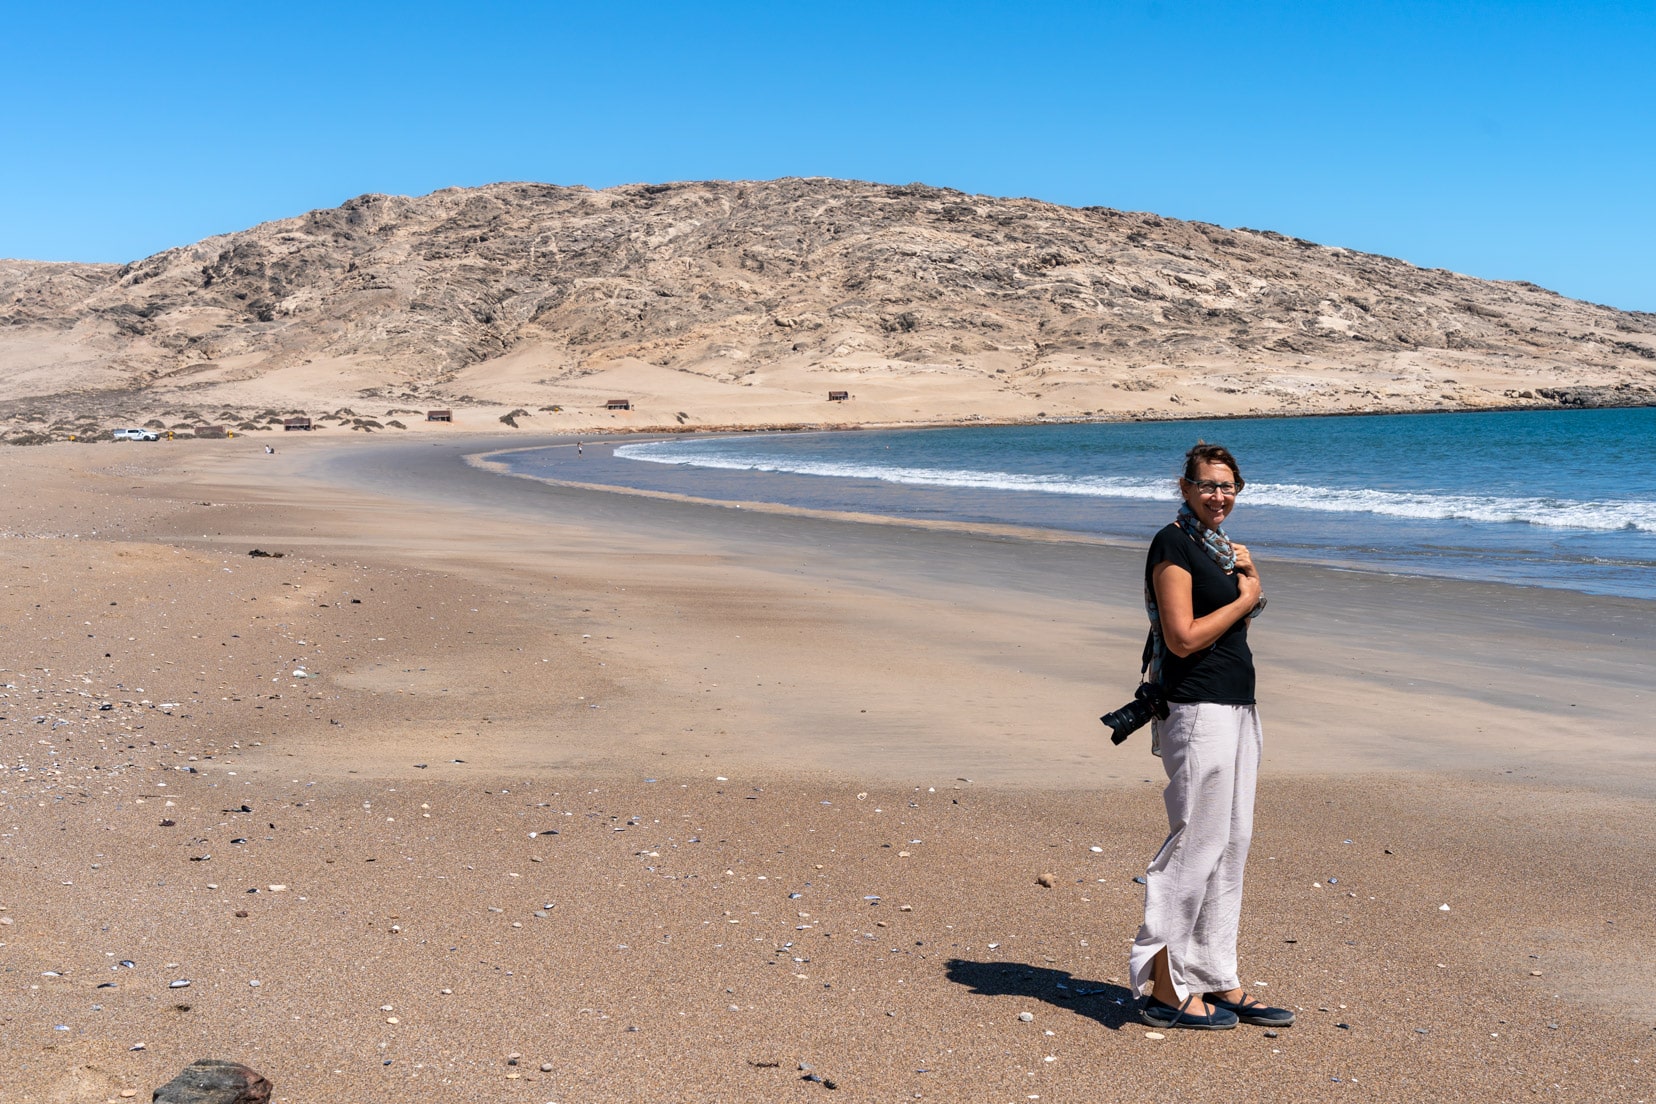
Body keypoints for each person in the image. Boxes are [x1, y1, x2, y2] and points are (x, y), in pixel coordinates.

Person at [1128, 442, 1293, 1031]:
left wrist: (1248, 580)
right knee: (1196, 844)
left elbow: (1231, 627)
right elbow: (1182, 638)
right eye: (1207, 485)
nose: (1218, 496)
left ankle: (1217, 976)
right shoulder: (1173, 543)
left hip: (1238, 707)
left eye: (1228, 486)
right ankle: (1165, 984)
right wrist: (1249, 595)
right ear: (1185, 488)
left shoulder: (1219, 548)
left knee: (1231, 844)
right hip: (1196, 710)